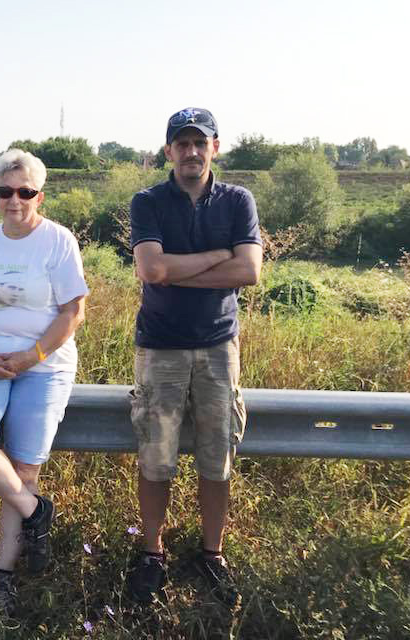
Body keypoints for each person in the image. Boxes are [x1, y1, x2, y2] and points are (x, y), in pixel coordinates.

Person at [125, 107, 262, 608]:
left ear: (215, 148)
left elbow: (248, 272)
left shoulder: (238, 200)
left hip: (218, 347)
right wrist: (217, 257)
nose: (191, 151)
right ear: (168, 151)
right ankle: (152, 552)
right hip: (159, 346)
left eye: (200, 142)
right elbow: (151, 270)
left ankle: (212, 553)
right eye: (182, 143)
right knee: (155, 457)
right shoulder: (148, 201)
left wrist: (175, 270)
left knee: (217, 456)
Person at [0, 149, 88, 619]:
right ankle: (35, 511)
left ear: (39, 196)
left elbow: (72, 312)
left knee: (25, 470)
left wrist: (32, 356)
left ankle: (2, 575)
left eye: (25, 192)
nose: (15, 200)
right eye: (5, 191)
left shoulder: (58, 241)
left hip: (43, 365)